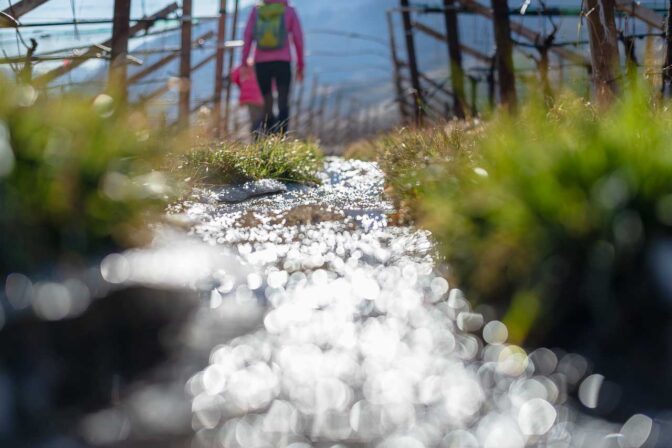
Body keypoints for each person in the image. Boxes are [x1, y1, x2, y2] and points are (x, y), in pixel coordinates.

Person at [242, 0, 304, 135]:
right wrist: (300, 65)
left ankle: (269, 136)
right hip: (283, 62)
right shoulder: (289, 10)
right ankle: (282, 138)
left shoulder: (257, 10)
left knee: (267, 101)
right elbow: (298, 38)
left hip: (261, 62)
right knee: (283, 102)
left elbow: (248, 36)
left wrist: (244, 62)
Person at [231, 62, 265, 136]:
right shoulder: (262, 66)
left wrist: (241, 85)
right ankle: (257, 136)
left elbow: (234, 76)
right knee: (259, 118)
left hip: (247, 98)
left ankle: (253, 134)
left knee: (252, 117)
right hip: (260, 98)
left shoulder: (243, 66)